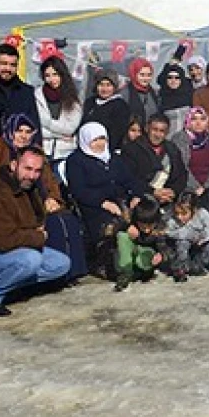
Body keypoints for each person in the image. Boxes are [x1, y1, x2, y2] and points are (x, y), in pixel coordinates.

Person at [0, 147, 71, 316]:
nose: (32, 176)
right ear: (13, 165)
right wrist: (38, 236)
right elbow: (3, 241)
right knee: (31, 260)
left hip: (13, 250)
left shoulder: (27, 189)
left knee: (61, 264)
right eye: (27, 169)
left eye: (37, 171)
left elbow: (34, 222)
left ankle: (9, 286)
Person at [65, 122, 148, 276]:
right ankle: (111, 263)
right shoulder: (76, 161)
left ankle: (145, 255)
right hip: (93, 207)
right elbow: (79, 191)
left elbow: (130, 179)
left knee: (147, 212)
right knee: (115, 224)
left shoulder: (113, 158)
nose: (100, 144)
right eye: (95, 140)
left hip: (120, 201)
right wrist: (103, 202)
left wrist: (136, 195)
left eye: (103, 139)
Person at [120, 113, 188, 207]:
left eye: (162, 131)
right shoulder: (132, 149)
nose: (157, 135)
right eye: (154, 130)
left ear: (167, 132)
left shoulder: (172, 149)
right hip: (141, 199)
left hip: (168, 200)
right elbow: (129, 178)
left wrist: (173, 191)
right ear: (147, 129)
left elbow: (182, 175)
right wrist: (153, 192)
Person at [113, 197, 168, 291]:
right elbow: (113, 228)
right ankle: (125, 273)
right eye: (143, 226)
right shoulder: (130, 220)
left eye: (150, 226)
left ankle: (143, 272)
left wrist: (161, 255)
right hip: (130, 252)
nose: (146, 230)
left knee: (144, 257)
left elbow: (164, 246)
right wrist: (127, 227)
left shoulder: (160, 227)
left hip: (146, 253)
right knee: (122, 236)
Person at [0, 43, 39, 142]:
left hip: (20, 152)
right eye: (3, 63)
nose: (8, 69)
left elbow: (34, 127)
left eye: (13, 65)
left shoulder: (26, 92)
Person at [35, 57, 82, 161]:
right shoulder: (36, 97)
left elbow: (70, 129)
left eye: (55, 74)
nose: (51, 79)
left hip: (65, 152)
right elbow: (35, 127)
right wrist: (59, 135)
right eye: (47, 75)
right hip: (41, 150)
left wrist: (47, 123)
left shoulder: (72, 99)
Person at [170, 106, 209, 194]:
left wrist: (207, 187)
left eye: (202, 119)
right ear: (188, 121)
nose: (198, 123)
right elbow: (180, 167)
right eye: (194, 119)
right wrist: (196, 187)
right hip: (185, 187)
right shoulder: (179, 139)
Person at [166, 192, 209, 275]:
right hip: (184, 245)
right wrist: (184, 233)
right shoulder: (173, 219)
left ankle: (197, 264)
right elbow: (167, 231)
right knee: (182, 245)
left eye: (184, 214)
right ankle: (183, 266)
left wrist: (203, 237)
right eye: (177, 213)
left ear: (194, 209)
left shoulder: (202, 213)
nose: (179, 217)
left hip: (202, 243)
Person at [81, 68, 131, 150]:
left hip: (105, 150)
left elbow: (117, 133)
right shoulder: (90, 102)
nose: (104, 89)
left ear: (114, 87)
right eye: (101, 84)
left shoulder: (120, 106)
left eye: (108, 85)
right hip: (85, 147)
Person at [156, 59, 194, 136]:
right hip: (168, 141)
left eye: (177, 77)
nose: (173, 80)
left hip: (187, 141)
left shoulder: (189, 94)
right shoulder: (161, 97)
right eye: (170, 77)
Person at [122, 57, 159, 129]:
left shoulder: (153, 92)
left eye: (149, 75)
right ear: (134, 74)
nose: (146, 78)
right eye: (142, 75)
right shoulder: (125, 93)